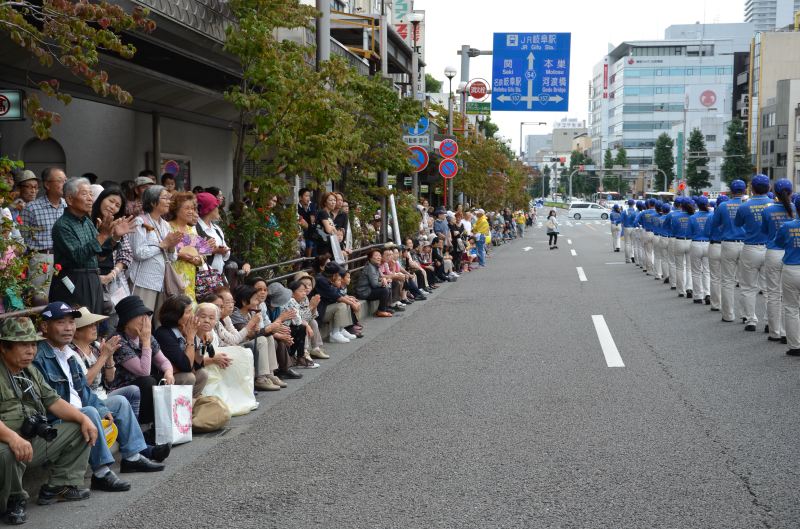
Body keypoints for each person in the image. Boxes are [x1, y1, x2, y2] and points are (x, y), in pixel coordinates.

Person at [32, 302, 165, 495]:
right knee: (90, 411)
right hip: (59, 416)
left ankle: (133, 456)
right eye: (61, 322)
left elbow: (84, 391)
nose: (69, 327)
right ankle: (101, 472)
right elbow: (50, 401)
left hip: (81, 407)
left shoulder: (68, 354)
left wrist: (103, 409)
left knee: (119, 402)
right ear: (45, 327)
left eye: (71, 322)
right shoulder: (39, 356)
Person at [0, 317, 95, 524]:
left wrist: (84, 419)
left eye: (33, 344)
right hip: (7, 443)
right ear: (4, 348)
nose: (31, 351)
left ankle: (59, 486)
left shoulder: (30, 371)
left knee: (80, 427)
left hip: (30, 440)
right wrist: (12, 438)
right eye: (23, 345)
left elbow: (54, 402)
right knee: (6, 451)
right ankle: (13, 501)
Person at [50, 177, 135, 315]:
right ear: (70, 199)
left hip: (92, 278)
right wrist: (103, 235)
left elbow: (100, 256)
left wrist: (114, 238)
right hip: (74, 280)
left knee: (93, 321)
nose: (90, 198)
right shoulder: (62, 226)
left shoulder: (87, 222)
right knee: (79, 323)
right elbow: (78, 257)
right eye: (84, 194)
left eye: (91, 194)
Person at [109, 295, 175, 426]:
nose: (145, 319)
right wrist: (145, 342)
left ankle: (163, 425)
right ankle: (146, 426)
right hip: (124, 388)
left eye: (146, 315)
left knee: (161, 378)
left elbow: (163, 361)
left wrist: (168, 372)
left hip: (142, 383)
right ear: (127, 320)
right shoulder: (118, 340)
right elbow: (143, 371)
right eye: (140, 315)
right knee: (148, 381)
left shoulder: (147, 336)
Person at [210, 288, 284, 391]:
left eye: (232, 301)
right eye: (226, 303)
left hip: (234, 345)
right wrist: (251, 326)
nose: (231, 305)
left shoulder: (226, 318)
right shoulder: (222, 319)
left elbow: (237, 337)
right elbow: (234, 340)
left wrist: (254, 328)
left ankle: (269, 373)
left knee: (268, 338)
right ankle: (261, 378)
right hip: (225, 349)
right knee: (262, 340)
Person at [129, 185, 183, 318]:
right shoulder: (140, 221)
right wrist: (162, 245)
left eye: (169, 198)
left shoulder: (165, 224)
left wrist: (171, 247)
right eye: (165, 198)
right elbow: (139, 252)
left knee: (161, 321)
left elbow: (173, 257)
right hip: (144, 279)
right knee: (142, 319)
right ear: (153, 202)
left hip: (162, 281)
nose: (169, 201)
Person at [194, 303, 257, 415]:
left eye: (211, 318)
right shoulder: (191, 334)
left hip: (214, 366)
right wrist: (213, 360)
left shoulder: (212, 333)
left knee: (245, 354)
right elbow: (192, 361)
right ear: (195, 317)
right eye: (203, 317)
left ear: (216, 321)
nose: (207, 320)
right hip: (200, 370)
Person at [734, 174, 772, 331]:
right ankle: (771, 322)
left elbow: (737, 224)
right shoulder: (774, 205)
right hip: (770, 248)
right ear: (769, 187)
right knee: (770, 288)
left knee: (748, 287)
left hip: (750, 247)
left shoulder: (744, 206)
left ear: (752, 189)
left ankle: (750, 320)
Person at [92, 188, 133, 330]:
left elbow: (126, 254)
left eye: (117, 205)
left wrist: (112, 274)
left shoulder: (119, 224)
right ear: (101, 199)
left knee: (115, 319)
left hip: (113, 279)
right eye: (111, 201)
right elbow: (94, 254)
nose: (112, 207)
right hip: (90, 277)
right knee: (92, 320)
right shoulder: (88, 221)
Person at [154, 295, 209, 398]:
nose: (192, 315)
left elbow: (197, 365)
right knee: (188, 377)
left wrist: (202, 338)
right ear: (175, 316)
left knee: (202, 374)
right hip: (164, 379)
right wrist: (190, 338)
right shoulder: (164, 334)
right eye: (188, 312)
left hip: (182, 371)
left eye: (192, 311)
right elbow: (186, 366)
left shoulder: (186, 329)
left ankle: (190, 405)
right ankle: (177, 409)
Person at [21, 167, 66, 291]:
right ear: (47, 184)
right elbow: (22, 238)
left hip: (65, 259)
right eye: (60, 180)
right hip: (42, 258)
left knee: (64, 298)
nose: (64, 184)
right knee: (40, 299)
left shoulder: (68, 206)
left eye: (65, 180)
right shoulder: (31, 208)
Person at [761, 179, 794, 343]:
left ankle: (775, 332)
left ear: (774, 193)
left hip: (773, 252)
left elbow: (764, 232)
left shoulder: (768, 210)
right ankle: (792, 334)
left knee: (773, 293)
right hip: (792, 255)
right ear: (791, 192)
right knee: (792, 299)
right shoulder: (796, 208)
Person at [711, 180, 747, 323]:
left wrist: (726, 229)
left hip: (728, 243)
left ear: (730, 191)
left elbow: (715, 224)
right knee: (746, 282)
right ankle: (746, 315)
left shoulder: (723, 206)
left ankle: (728, 315)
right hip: (746, 244)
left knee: (727, 280)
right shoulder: (747, 205)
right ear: (744, 191)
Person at [196, 192, 250, 277]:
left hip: (218, 276)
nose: (218, 209)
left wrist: (242, 263)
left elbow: (226, 254)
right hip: (203, 278)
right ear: (210, 209)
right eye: (216, 206)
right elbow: (191, 252)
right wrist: (213, 251)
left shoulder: (216, 229)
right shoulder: (194, 228)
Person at [169, 192, 210, 302]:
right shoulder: (167, 227)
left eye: (193, 208)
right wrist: (179, 255)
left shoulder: (192, 229)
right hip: (173, 276)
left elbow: (204, 254)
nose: (191, 212)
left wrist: (198, 259)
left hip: (191, 277)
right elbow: (163, 251)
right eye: (187, 208)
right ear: (176, 209)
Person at [774, 195, 800, 356]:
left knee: (791, 308)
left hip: (791, 268)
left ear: (796, 208)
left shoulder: (786, 226)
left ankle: (795, 346)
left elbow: (778, 243)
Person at [355, 249, 393, 317]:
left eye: (379, 255)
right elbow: (375, 284)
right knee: (384, 290)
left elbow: (379, 278)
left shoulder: (375, 266)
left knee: (388, 287)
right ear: (370, 258)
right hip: (364, 292)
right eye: (376, 255)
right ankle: (381, 311)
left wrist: (384, 280)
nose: (379, 257)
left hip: (369, 289)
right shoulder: (370, 268)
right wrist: (383, 283)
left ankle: (385, 307)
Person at [688, 196, 712, 305]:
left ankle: (698, 295)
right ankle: (708, 293)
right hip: (708, 244)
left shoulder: (692, 217)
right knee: (707, 271)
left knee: (696, 272)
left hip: (696, 243)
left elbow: (688, 233)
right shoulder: (711, 216)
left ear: (697, 205)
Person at [670, 197, 694, 298]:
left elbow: (673, 230)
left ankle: (681, 290)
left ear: (680, 206)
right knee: (689, 267)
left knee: (679, 267)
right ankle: (689, 287)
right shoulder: (693, 216)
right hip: (690, 241)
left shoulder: (675, 216)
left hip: (679, 241)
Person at [313, 192, 339, 257]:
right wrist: (332, 228)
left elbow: (335, 232)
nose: (333, 202)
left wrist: (333, 229)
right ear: (325, 202)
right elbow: (329, 230)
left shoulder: (329, 214)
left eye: (334, 200)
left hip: (327, 244)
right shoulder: (323, 213)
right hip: (322, 245)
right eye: (330, 200)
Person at [298, 188, 316, 257]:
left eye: (309, 196)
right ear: (300, 197)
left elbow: (313, 221)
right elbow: (299, 220)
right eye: (306, 196)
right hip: (300, 231)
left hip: (311, 230)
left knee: (311, 241)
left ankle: (309, 261)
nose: (308, 198)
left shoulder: (312, 206)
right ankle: (307, 261)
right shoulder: (297, 207)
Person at [622, 199, 637, 263]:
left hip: (626, 228)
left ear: (628, 204)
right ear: (633, 204)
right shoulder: (635, 211)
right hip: (633, 228)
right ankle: (633, 257)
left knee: (627, 243)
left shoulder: (625, 211)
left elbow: (621, 220)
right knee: (633, 243)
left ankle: (628, 259)